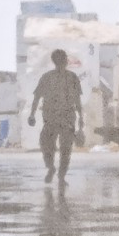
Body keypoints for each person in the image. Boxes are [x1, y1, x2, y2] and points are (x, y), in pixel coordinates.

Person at [27, 48, 83, 183]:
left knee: (59, 148)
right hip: (56, 119)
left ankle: (57, 172)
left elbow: (77, 100)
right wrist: (32, 114)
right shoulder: (50, 77)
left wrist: (32, 114)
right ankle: (54, 170)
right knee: (54, 147)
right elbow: (37, 97)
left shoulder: (70, 78)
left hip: (61, 119)